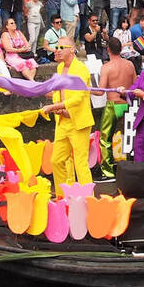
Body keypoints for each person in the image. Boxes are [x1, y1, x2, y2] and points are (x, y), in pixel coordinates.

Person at [44, 37, 94, 194]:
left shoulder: (81, 69)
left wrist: (55, 106)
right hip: (62, 122)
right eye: (56, 46)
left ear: (72, 50)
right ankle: (63, 196)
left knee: (80, 163)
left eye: (61, 47)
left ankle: (88, 199)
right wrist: (47, 94)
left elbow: (78, 98)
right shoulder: (60, 68)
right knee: (56, 160)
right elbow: (60, 92)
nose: (57, 50)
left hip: (78, 122)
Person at [96, 37, 135, 179]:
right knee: (125, 138)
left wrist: (87, 89)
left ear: (108, 50)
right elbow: (135, 85)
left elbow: (100, 91)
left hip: (113, 105)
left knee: (105, 139)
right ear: (120, 49)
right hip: (127, 104)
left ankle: (107, 171)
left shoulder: (106, 67)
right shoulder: (129, 65)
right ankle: (126, 168)